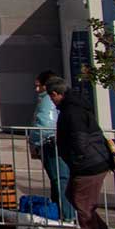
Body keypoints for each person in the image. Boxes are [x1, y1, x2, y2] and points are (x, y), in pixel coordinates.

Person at [48, 77, 115, 229]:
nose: (52, 101)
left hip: (89, 164)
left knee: (83, 204)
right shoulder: (74, 107)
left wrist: (76, 160)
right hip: (92, 160)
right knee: (72, 195)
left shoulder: (72, 111)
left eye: (52, 97)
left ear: (56, 94)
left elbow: (79, 139)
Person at [32, 70, 68, 213]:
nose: (36, 89)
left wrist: (35, 142)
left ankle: (66, 215)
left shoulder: (47, 101)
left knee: (60, 180)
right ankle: (61, 212)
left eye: (38, 86)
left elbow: (45, 125)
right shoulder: (48, 100)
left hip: (50, 143)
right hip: (52, 142)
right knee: (58, 180)